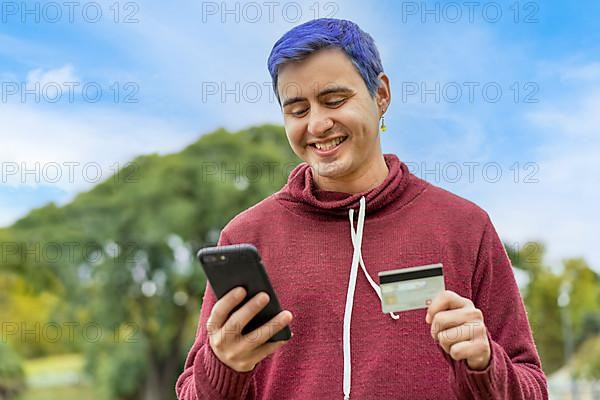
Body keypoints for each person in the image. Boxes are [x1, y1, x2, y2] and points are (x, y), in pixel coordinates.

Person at [176, 18, 548, 399]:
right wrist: (223, 367)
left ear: (381, 94)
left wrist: (485, 365)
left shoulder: (464, 226)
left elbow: (533, 387)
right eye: (298, 110)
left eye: (335, 101)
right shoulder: (247, 236)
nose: (318, 124)